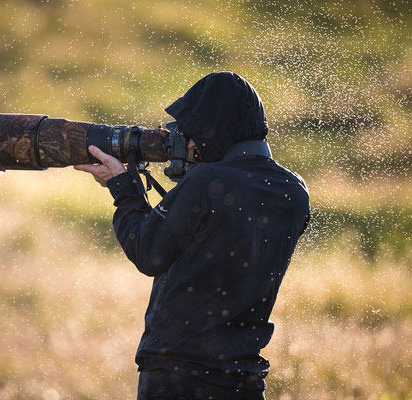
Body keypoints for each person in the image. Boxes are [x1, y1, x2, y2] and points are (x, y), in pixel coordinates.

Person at [74, 71, 310, 400]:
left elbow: (147, 252)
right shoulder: (293, 191)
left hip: (177, 373)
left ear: (215, 126)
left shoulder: (208, 181)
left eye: (194, 131)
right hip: (245, 376)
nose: (189, 142)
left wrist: (123, 187)